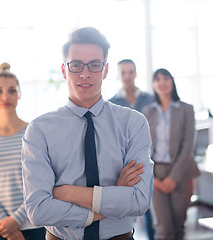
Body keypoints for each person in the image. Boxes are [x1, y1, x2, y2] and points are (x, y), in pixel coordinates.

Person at [21, 27, 154, 240]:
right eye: (76, 65)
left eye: (94, 65)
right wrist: (111, 197)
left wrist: (66, 193)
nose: (85, 73)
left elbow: (139, 201)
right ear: (64, 70)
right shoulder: (39, 129)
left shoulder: (133, 123)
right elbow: (38, 210)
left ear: (106, 70)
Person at [0, 63, 46, 240]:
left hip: (33, 223)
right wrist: (8, 226)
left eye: (12, 90)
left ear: (19, 94)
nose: (6, 96)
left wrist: (17, 220)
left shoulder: (35, 133)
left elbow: (42, 182)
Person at [142, 68, 200, 240]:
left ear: (172, 82)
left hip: (181, 172)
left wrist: (173, 178)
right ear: (153, 85)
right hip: (156, 173)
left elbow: (188, 146)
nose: (162, 82)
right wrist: (153, 177)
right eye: (157, 79)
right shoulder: (147, 112)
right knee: (163, 229)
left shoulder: (186, 110)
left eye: (166, 78)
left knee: (178, 227)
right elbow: (142, 147)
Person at [109, 59, 155, 240]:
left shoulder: (150, 99)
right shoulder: (112, 104)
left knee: (150, 211)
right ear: (119, 75)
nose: (127, 76)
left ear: (135, 73)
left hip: (150, 161)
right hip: (125, 166)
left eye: (131, 72)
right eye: (123, 72)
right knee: (125, 211)